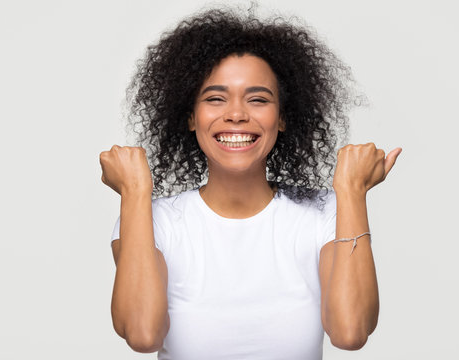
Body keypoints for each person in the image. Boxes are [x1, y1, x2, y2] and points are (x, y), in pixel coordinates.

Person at [99, 4, 402, 359]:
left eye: (258, 99)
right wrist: (135, 192)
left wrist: (351, 192)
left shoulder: (325, 215)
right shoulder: (154, 222)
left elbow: (350, 332)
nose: (237, 114)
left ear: (283, 118)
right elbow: (142, 334)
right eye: (215, 99)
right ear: (191, 118)